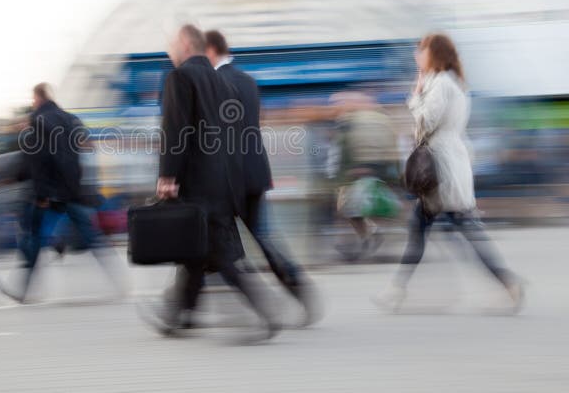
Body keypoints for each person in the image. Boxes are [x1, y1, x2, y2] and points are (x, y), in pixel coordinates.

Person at [375, 34, 525, 312]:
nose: (417, 56)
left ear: (435, 55)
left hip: (441, 169)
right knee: (425, 229)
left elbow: (427, 121)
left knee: (457, 231)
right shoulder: (450, 83)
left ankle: (509, 284)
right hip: (447, 165)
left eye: (422, 51)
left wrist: (415, 96)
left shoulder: (441, 84)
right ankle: (396, 290)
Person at [148, 24, 278, 341]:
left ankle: (266, 312)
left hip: (197, 184)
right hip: (225, 182)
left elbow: (175, 132)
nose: (169, 51)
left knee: (220, 253)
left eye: (171, 44)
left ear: (185, 44)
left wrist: (167, 176)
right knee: (195, 253)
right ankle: (178, 316)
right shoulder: (223, 83)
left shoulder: (180, 77)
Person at [205, 29, 322, 326]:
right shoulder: (247, 80)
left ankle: (244, 302)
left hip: (228, 177)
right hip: (255, 172)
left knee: (215, 242)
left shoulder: (214, 82)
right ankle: (297, 286)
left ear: (209, 50)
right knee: (263, 237)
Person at [0, 83, 125, 303]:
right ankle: (119, 281)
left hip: (53, 192)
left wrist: (42, 194)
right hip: (73, 189)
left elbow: (39, 161)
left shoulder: (38, 122)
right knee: (91, 236)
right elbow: (86, 147)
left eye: (33, 98)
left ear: (38, 98)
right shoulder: (70, 119)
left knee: (35, 238)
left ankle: (23, 290)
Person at [329, 92, 400, 261]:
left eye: (339, 104)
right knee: (359, 208)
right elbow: (392, 146)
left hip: (359, 170)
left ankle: (369, 236)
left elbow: (347, 149)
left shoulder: (353, 121)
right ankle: (371, 235)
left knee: (351, 208)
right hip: (373, 169)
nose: (336, 107)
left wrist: (349, 173)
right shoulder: (379, 119)